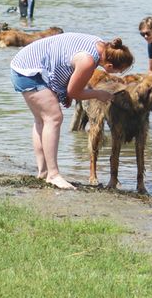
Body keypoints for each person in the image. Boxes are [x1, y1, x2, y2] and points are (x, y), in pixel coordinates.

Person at [9, 33, 133, 190]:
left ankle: (43, 172)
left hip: (25, 63)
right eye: (119, 71)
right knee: (53, 118)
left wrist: (65, 91)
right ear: (109, 67)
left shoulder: (99, 43)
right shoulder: (89, 60)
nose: (118, 74)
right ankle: (53, 175)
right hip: (29, 71)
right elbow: (74, 92)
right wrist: (99, 94)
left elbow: (66, 62)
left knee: (42, 120)